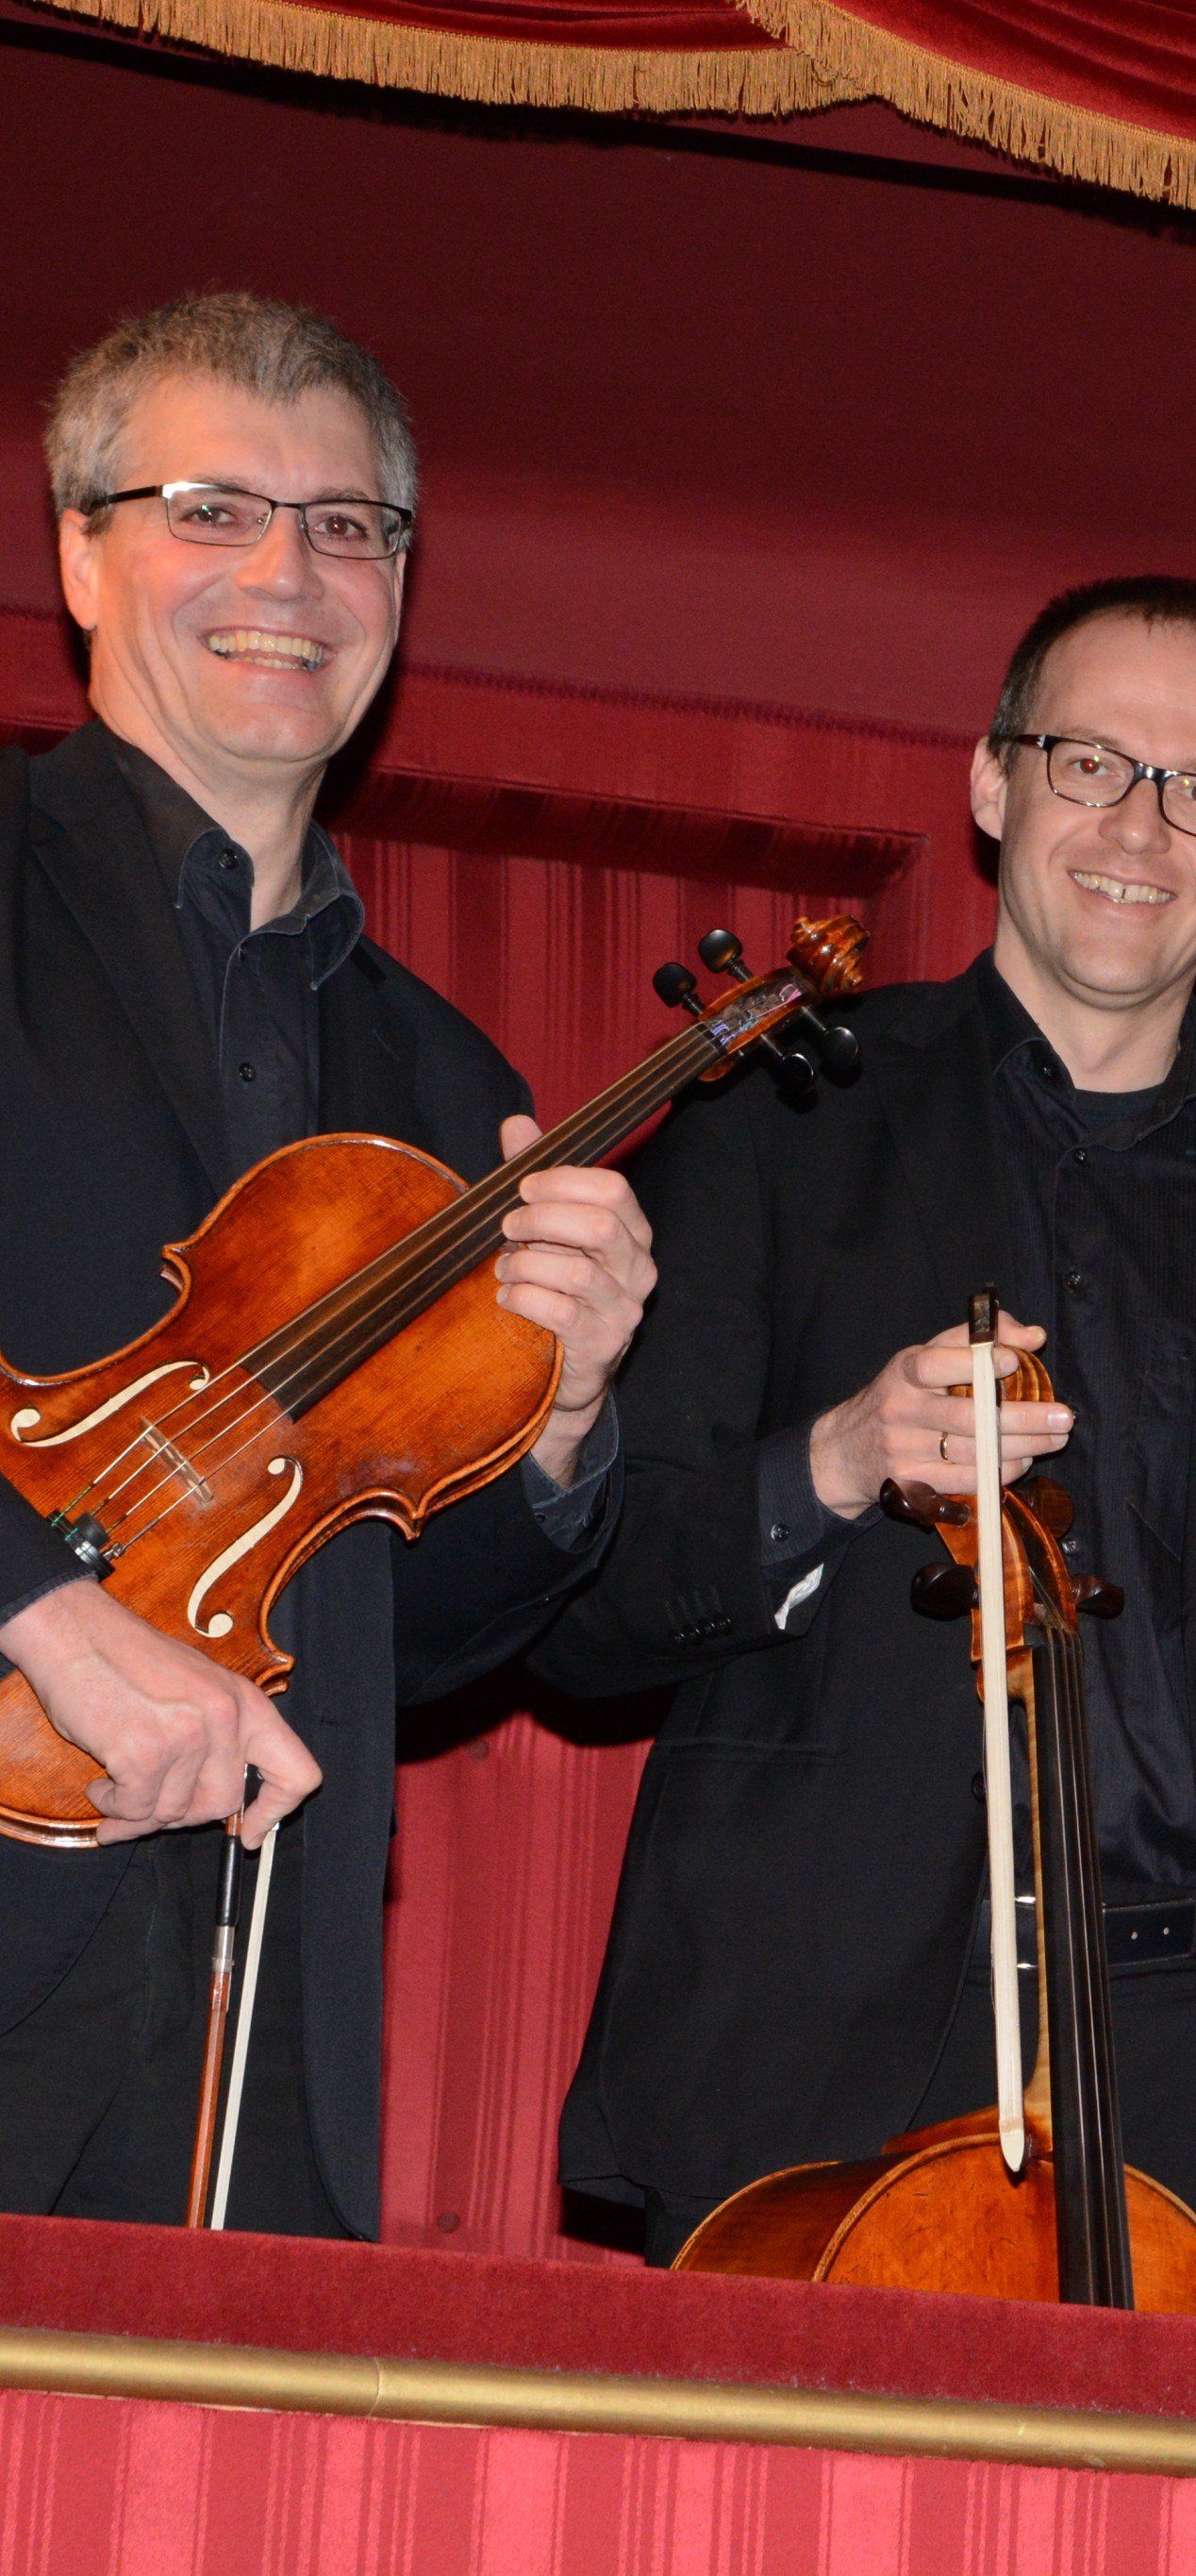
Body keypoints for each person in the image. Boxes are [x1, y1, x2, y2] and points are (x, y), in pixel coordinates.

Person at [530, 576, 1196, 2312]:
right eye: (1090, 761)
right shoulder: (776, 1120)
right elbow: (584, 1607)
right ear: (991, 783)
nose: (1139, 826)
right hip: (821, 2038)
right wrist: (841, 1461)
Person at [0, 294, 654, 2236]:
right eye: (213, 508)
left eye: (349, 526)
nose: (288, 573)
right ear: (77, 553)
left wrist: (564, 1430)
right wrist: (40, 1610)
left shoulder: (450, 1082)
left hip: (243, 2004)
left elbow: (398, 1626)